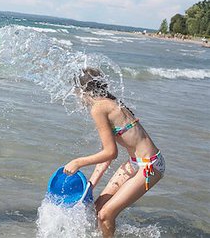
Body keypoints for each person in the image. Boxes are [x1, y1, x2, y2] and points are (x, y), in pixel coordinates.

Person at [63, 67, 165, 238]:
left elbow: (111, 153)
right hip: (136, 163)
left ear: (82, 91)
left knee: (105, 215)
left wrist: (78, 162)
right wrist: (91, 184)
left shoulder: (99, 108)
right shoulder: (108, 102)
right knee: (97, 209)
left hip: (150, 166)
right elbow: (107, 152)